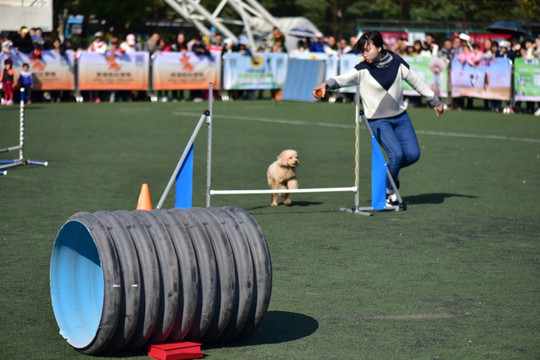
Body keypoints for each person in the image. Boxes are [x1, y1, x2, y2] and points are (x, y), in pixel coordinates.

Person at [312, 31, 444, 205]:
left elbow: (416, 82)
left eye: (367, 50)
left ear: (379, 47)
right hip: (378, 120)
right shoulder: (362, 68)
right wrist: (326, 85)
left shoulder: (397, 62)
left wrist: (434, 101)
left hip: (401, 117)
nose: (364, 54)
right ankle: (389, 189)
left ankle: (386, 174)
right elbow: (342, 79)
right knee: (396, 155)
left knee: (412, 155)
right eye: (362, 51)